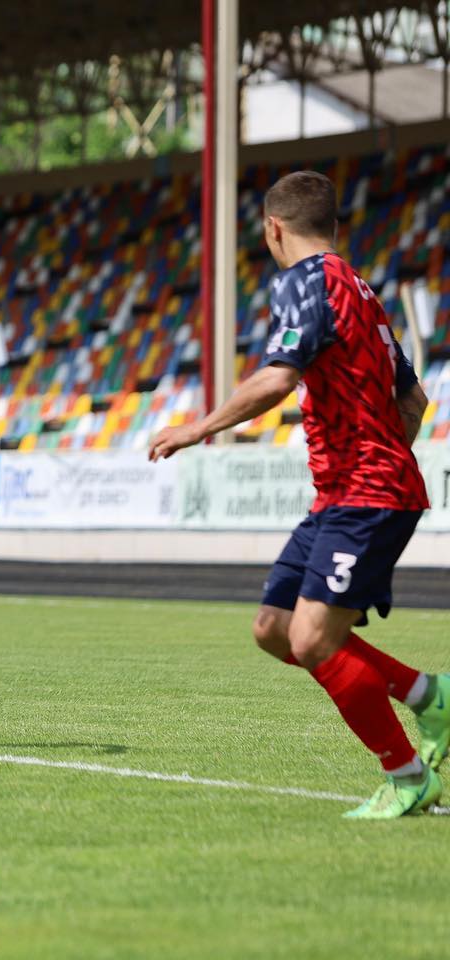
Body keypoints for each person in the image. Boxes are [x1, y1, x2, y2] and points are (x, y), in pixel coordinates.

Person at [150, 170, 450, 819]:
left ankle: (407, 777)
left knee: (312, 639)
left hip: (366, 491)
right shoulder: (359, 289)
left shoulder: (304, 282)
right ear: (333, 225)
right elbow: (415, 399)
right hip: (349, 491)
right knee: (275, 629)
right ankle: (430, 697)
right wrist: (378, 452)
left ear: (273, 228)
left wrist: (197, 429)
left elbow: (278, 378)